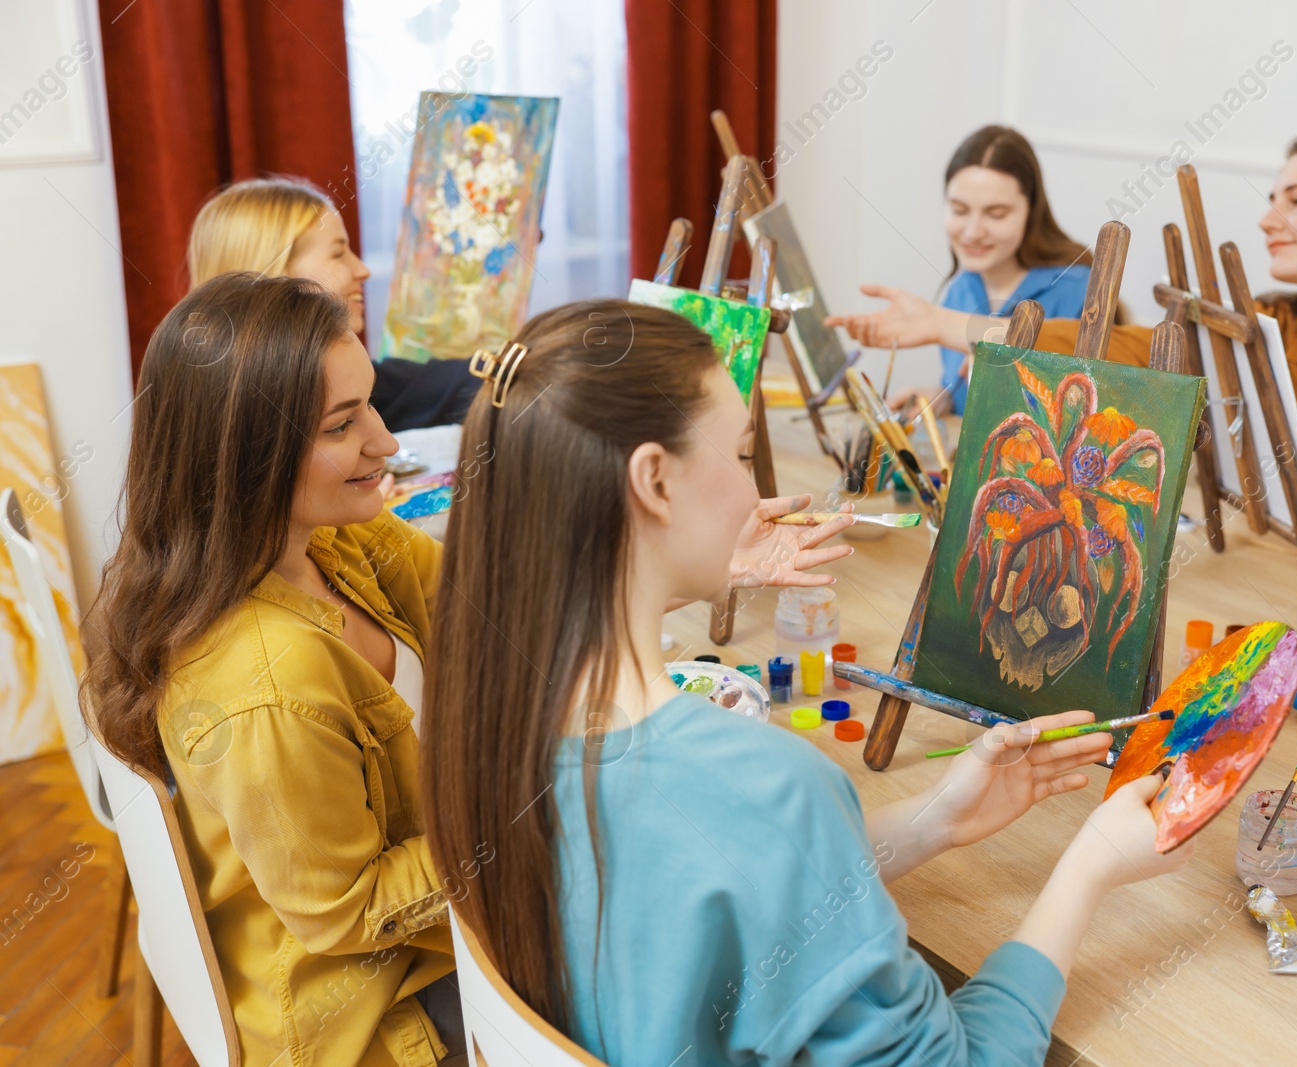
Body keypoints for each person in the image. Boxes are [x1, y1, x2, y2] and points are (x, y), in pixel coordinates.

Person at [81, 276, 852, 1064]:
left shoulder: (335, 545)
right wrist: (530, 805)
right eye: (344, 426)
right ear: (245, 459)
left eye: (371, 404)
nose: (387, 443)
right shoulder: (267, 686)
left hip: (440, 940)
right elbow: (348, 916)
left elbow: (500, 592)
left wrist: (690, 549)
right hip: (383, 1017)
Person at [421, 299, 1192, 1065]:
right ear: (654, 480)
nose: (757, 493)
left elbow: (735, 895)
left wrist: (936, 820)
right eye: (739, 451)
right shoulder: (768, 786)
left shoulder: (480, 708)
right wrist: (1089, 865)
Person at [834, 125, 1297, 610]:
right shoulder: (1264, 336)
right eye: (1270, 197)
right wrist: (950, 324)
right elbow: (1118, 349)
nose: (1268, 216)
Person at [828, 125, 1112, 415]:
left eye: (996, 214)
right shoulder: (962, 290)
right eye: (960, 210)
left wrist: (935, 322)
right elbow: (971, 401)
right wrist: (941, 398)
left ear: (1031, 210)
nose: (973, 231)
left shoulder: (1078, 291)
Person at [187, 176, 480, 431]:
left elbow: (442, 385)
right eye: (338, 254)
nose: (363, 270)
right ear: (274, 274)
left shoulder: (338, 377)